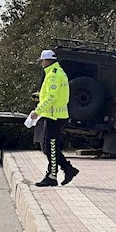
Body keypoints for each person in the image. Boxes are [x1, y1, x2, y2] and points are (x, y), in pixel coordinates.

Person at [30, 50, 79, 187]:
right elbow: (51, 95)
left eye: (41, 61)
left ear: (45, 61)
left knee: (50, 146)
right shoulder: (56, 72)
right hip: (54, 115)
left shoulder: (53, 75)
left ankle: (53, 175)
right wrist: (40, 97)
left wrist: (37, 111)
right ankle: (67, 169)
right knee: (49, 146)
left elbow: (52, 97)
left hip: (54, 116)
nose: (41, 63)